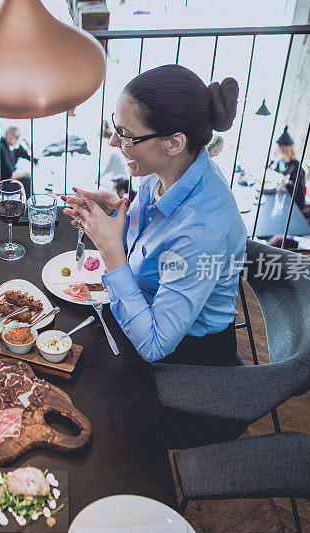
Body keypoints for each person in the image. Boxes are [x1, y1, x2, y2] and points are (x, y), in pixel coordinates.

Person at [62, 65, 247, 366]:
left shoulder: (201, 231)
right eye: (115, 128)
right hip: (141, 305)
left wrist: (110, 250)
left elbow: (154, 346)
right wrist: (117, 213)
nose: (113, 143)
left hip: (189, 360)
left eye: (126, 136)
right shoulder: (172, 171)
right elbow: (157, 242)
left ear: (174, 143)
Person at [0, 126, 37, 197]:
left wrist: (27, 143)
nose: (17, 138)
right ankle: (29, 205)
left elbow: (34, 159)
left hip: (4, 180)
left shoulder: (13, 146)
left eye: (19, 136)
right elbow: (11, 176)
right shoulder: (0, 149)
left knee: (28, 181)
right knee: (27, 182)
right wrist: (28, 173)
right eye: (15, 135)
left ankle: (29, 203)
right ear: (6, 135)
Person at [272, 126, 306, 210]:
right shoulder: (280, 161)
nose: (275, 153)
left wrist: (286, 182)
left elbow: (300, 192)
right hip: (282, 197)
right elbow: (275, 174)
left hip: (295, 203)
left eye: (277, 150)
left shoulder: (296, 167)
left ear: (284, 151)